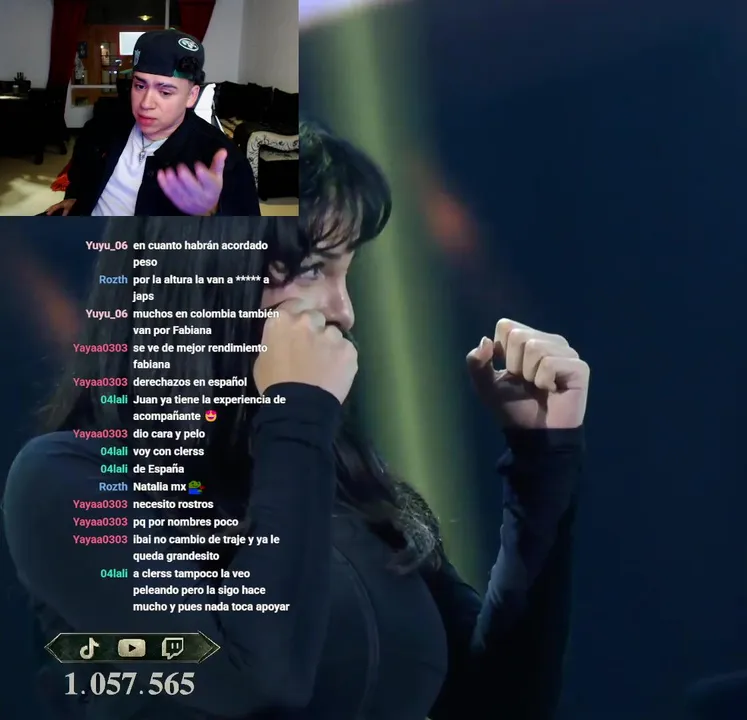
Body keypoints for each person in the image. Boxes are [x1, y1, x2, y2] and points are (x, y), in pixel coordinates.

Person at [5, 128, 585, 718]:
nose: (343, 310)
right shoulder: (70, 481)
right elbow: (257, 683)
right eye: (311, 269)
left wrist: (542, 460)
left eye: (346, 272)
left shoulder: (337, 479)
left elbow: (499, 706)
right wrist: (297, 414)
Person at [42, 29, 260, 217]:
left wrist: (211, 214)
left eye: (165, 92)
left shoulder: (223, 162)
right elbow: (81, 170)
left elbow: (248, 243)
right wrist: (76, 197)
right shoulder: (105, 124)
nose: (145, 104)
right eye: (140, 86)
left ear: (191, 96)